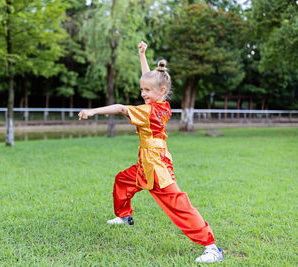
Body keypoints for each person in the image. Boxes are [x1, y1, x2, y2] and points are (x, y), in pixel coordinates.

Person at [78, 41, 224, 263]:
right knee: (123, 181)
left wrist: (91, 111)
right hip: (147, 162)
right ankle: (125, 216)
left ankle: (211, 247)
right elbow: (149, 78)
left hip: (156, 167)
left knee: (178, 203)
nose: (143, 93)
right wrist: (142, 55)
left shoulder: (149, 112)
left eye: (146, 91)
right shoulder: (163, 103)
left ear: (161, 91)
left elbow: (120, 108)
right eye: (141, 89)